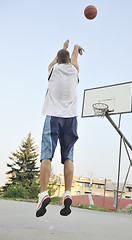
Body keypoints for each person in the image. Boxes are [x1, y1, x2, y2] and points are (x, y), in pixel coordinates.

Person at [36, 40, 85, 217]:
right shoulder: (74, 72)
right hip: (70, 119)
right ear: (70, 62)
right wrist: (74, 49)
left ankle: (43, 194)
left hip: (53, 117)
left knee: (47, 155)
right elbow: (73, 61)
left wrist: (64, 48)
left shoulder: (54, 70)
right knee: (68, 156)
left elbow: (54, 62)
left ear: (58, 60)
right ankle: (67, 193)